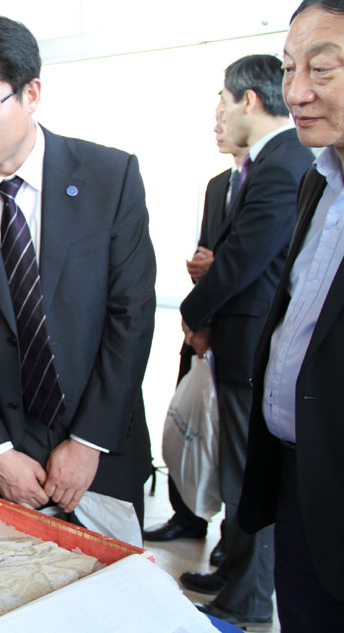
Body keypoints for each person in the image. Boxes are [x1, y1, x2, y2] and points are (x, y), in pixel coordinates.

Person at [0, 15, 156, 537]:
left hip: (102, 446)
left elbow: (130, 317)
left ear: (32, 93)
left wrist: (88, 442)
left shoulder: (111, 177)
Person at [177, 54, 314, 631]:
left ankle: (249, 597)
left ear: (248, 101)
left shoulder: (285, 163)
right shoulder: (267, 164)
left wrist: (192, 312)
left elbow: (245, 262)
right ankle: (233, 572)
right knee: (234, 469)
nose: (219, 115)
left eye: (222, 103)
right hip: (237, 343)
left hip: (254, 347)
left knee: (242, 476)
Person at [239, 1, 344, 630]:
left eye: (323, 70)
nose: (297, 92)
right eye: (288, 68)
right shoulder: (318, 179)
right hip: (300, 480)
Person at [145, 105, 251, 570]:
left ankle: (231, 537)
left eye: (223, 111)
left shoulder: (284, 175)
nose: (216, 125)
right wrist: (198, 310)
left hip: (240, 335)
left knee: (230, 443)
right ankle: (186, 516)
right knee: (185, 425)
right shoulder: (218, 185)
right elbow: (208, 255)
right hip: (203, 327)